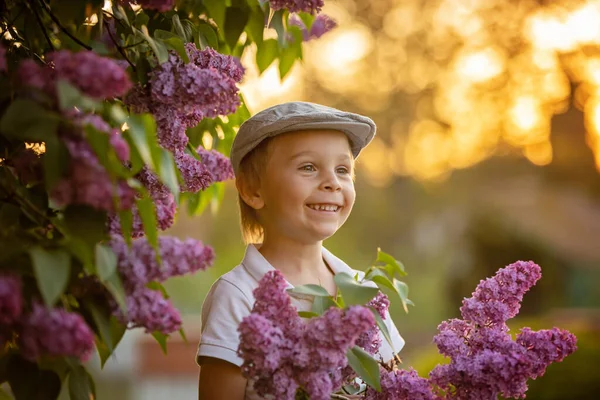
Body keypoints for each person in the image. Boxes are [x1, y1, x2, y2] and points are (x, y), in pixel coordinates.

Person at [196, 101, 405, 399]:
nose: (332, 182)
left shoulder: (365, 290)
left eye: (343, 169)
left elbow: (395, 387)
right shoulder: (238, 295)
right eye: (308, 167)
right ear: (253, 190)